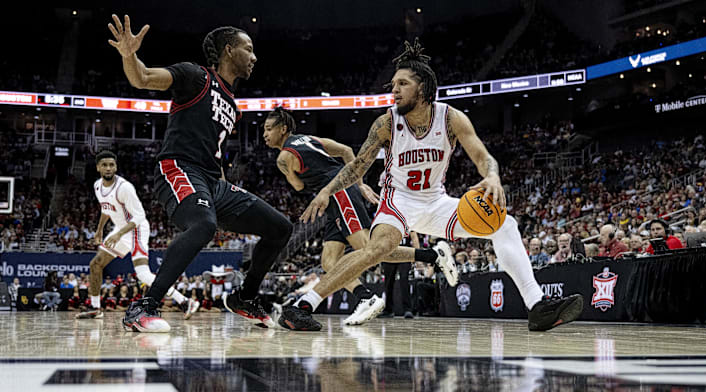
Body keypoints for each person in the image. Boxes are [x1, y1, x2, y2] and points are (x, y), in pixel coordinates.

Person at [280, 39, 583, 331]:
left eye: (402, 84)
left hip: (436, 202)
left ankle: (537, 306)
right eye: (393, 84)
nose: (394, 89)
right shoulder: (386, 123)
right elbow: (358, 165)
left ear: (422, 88)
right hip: (396, 200)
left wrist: (492, 175)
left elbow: (483, 156)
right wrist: (325, 190)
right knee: (379, 248)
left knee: (505, 224)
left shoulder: (451, 118)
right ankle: (304, 304)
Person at [108, 15, 292, 332]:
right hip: (178, 167)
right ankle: (144, 307)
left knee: (280, 227)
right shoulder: (196, 77)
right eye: (249, 49)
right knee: (204, 224)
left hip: (212, 181)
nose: (254, 56)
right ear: (229, 49)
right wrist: (129, 54)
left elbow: (214, 150)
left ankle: (245, 298)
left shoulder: (232, 103)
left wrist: (221, 187)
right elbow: (143, 78)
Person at [262, 107, 451, 325]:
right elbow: (346, 151)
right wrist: (359, 185)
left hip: (338, 193)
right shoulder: (309, 138)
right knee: (329, 261)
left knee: (368, 249)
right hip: (339, 195)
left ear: (283, 129)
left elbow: (297, 186)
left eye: (268, 129)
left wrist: (306, 177)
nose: (265, 134)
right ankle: (365, 296)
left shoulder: (284, 158)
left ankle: (432, 255)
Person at [75, 150, 199, 321]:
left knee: (143, 274)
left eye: (112, 165)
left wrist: (118, 234)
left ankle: (185, 301)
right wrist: (99, 230)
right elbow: (106, 208)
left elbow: (139, 216)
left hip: (136, 229)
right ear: (98, 168)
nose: (108, 168)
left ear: (116, 167)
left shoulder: (124, 187)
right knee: (95, 264)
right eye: (104, 165)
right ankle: (95, 308)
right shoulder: (98, 186)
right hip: (120, 230)